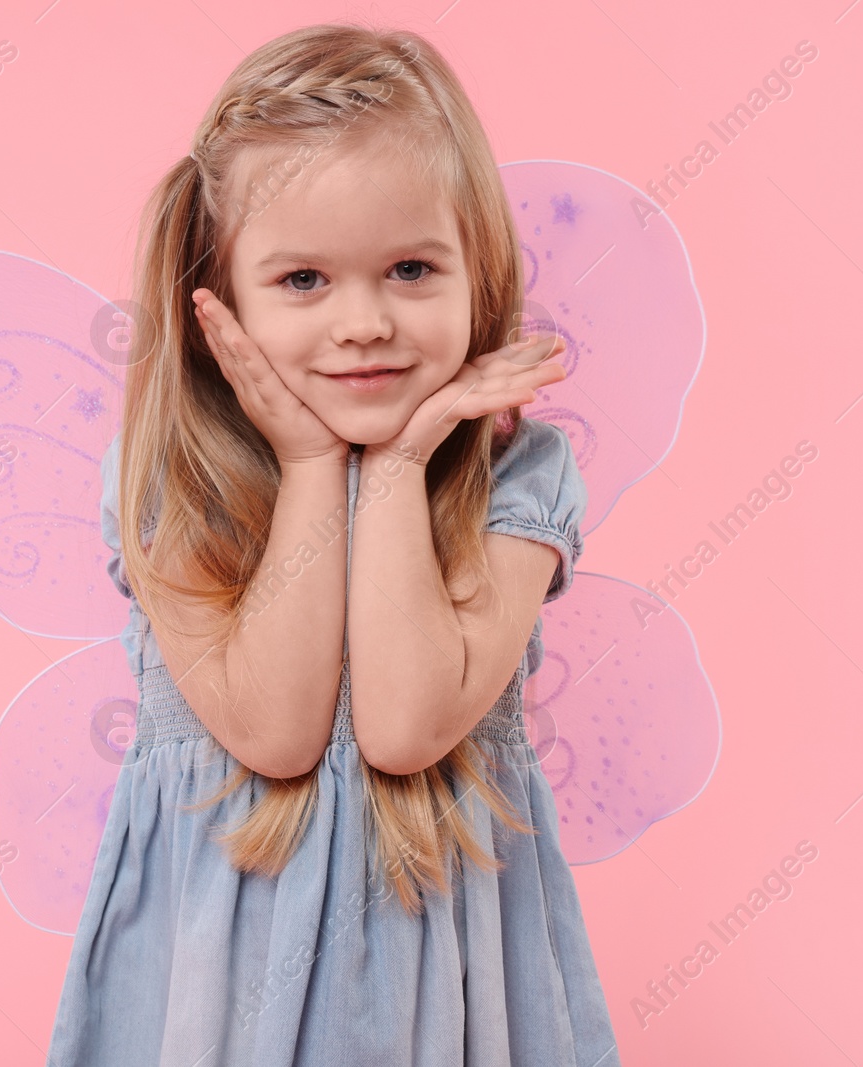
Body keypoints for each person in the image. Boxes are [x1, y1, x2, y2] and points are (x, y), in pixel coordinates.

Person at [47, 22, 620, 1066]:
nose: (363, 322)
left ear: (478, 273)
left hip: (444, 972)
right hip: (212, 977)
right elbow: (275, 734)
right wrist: (313, 469)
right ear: (217, 300)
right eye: (303, 281)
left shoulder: (522, 481)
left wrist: (399, 467)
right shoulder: (173, 476)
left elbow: (404, 727)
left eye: (409, 269)